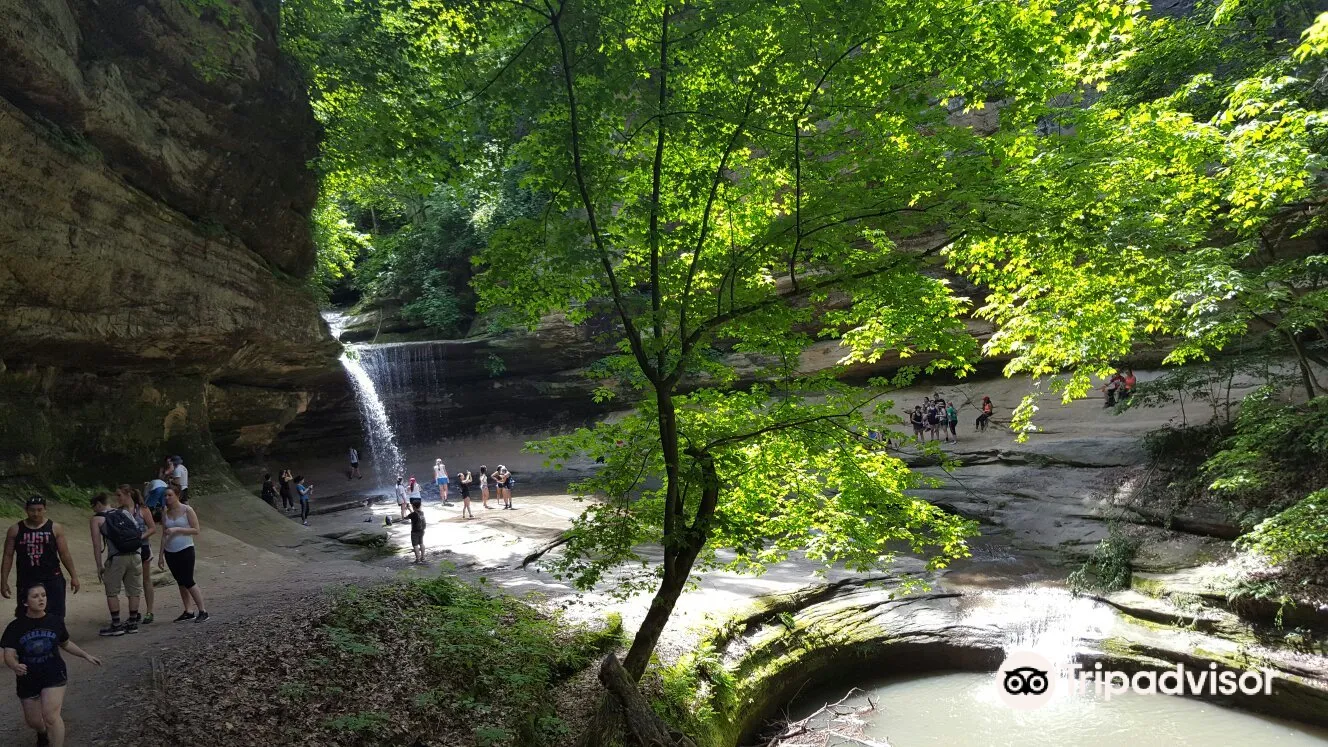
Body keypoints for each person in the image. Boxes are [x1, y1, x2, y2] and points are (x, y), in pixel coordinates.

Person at [2, 583, 101, 747]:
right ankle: (42, 733)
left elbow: (66, 643)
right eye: (35, 596)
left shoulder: (55, 621)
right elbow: (9, 653)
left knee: (51, 716)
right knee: (33, 721)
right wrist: (14, 665)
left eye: (43, 595)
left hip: (53, 673)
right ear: (25, 602)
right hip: (28, 678)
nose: (41, 599)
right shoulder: (15, 627)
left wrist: (86, 655)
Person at [1, 497, 80, 620]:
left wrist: (74, 576)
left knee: (56, 614)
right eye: (32, 510)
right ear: (26, 510)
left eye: (39, 510)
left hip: (52, 577)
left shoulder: (55, 528)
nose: (36, 513)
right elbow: (8, 555)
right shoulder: (15, 530)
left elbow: (64, 554)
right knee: (25, 615)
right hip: (26, 578)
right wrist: (3, 580)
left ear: (45, 510)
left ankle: (58, 638)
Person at [89, 492, 143, 636]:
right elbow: (138, 532)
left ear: (99, 504)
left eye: (93, 507)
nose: (93, 510)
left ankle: (117, 624)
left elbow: (96, 544)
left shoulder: (97, 519)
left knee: (112, 592)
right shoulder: (124, 512)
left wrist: (99, 565)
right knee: (134, 591)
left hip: (116, 558)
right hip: (135, 554)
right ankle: (132, 623)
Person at [158, 487, 208, 623]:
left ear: (177, 495)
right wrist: (160, 555)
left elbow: (196, 530)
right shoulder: (165, 512)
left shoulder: (187, 510)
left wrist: (178, 529)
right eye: (165, 496)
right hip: (170, 550)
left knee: (188, 580)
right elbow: (164, 534)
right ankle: (188, 610)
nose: (167, 498)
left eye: (169, 495)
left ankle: (203, 610)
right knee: (180, 582)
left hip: (185, 548)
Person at [122, 486, 158, 624]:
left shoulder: (143, 510)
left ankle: (150, 611)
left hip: (142, 547)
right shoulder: (120, 511)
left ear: (128, 495)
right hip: (128, 549)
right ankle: (134, 611)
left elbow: (153, 528)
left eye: (120, 495)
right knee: (130, 581)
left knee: (146, 579)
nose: (118, 498)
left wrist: (140, 537)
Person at [407, 499, 426, 563]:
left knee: (415, 545)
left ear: (413, 507)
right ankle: (423, 557)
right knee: (421, 543)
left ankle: (418, 559)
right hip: (422, 530)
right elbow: (415, 514)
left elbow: (406, 517)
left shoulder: (413, 514)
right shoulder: (422, 512)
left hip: (414, 532)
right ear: (420, 506)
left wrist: (409, 509)